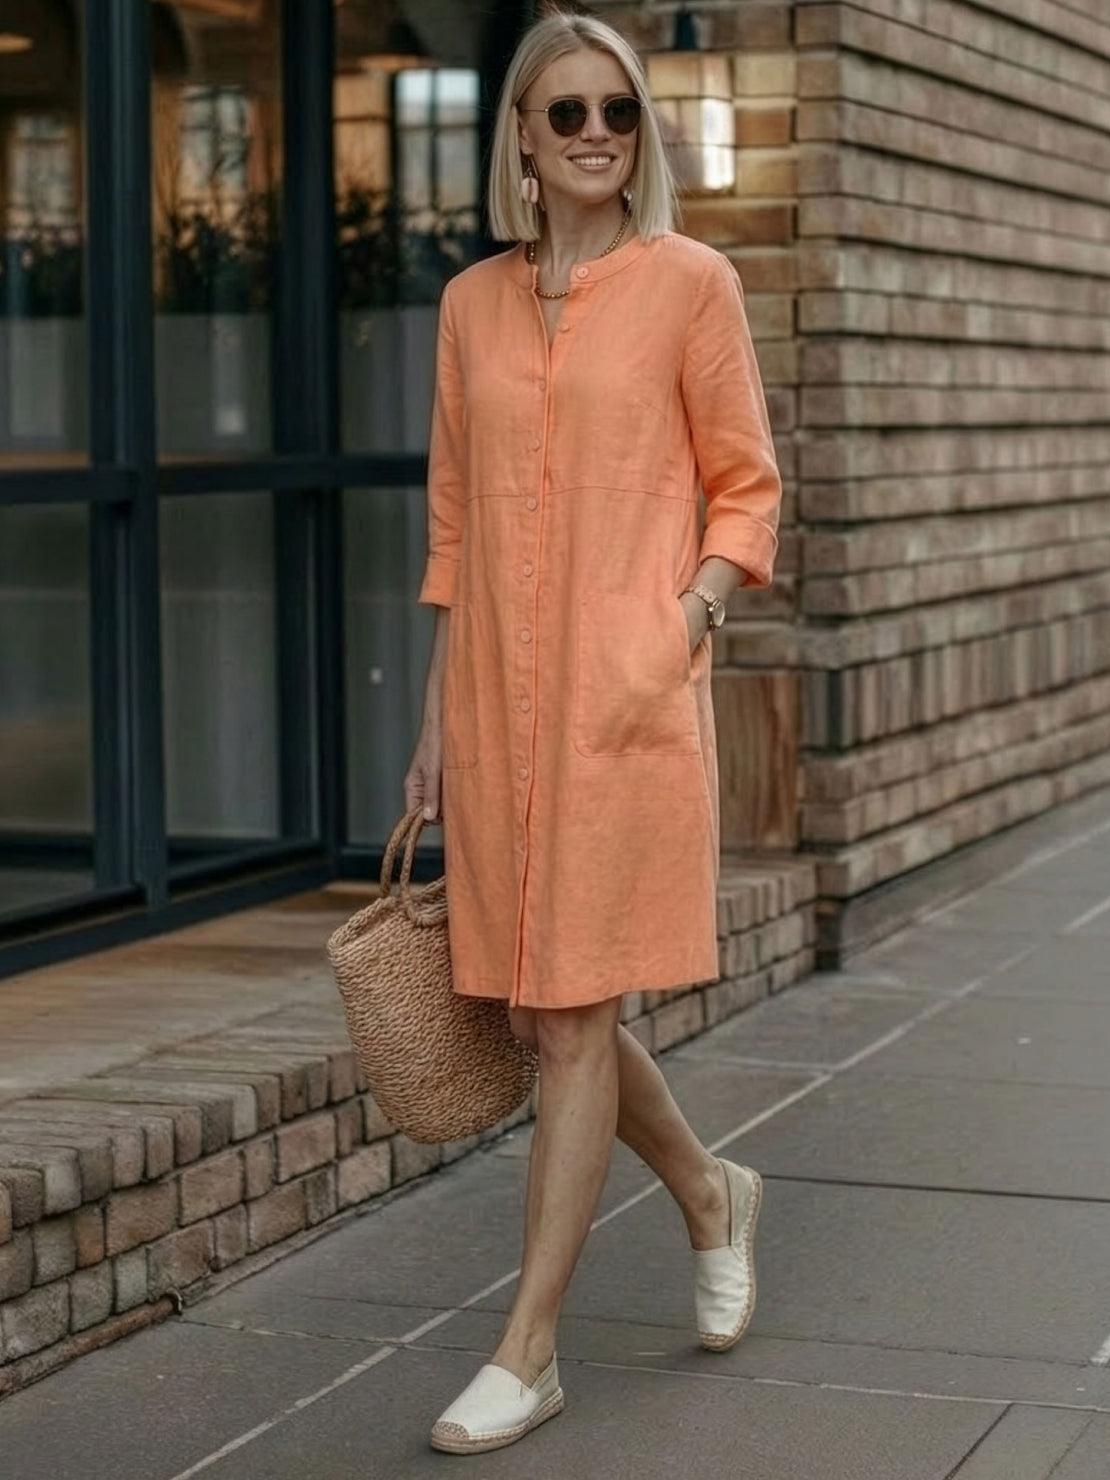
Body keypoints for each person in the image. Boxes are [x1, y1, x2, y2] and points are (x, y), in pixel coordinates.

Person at [403, 6, 783, 1456]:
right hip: (493, 705)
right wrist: (434, 725)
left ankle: (529, 1349)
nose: (595, 136)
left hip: (621, 696)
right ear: (520, 132)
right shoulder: (470, 307)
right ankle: (708, 1191)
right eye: (565, 111)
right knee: (535, 1006)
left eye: (618, 112)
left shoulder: (692, 284)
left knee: (571, 1015)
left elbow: (746, 487)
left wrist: (680, 621)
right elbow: (452, 528)